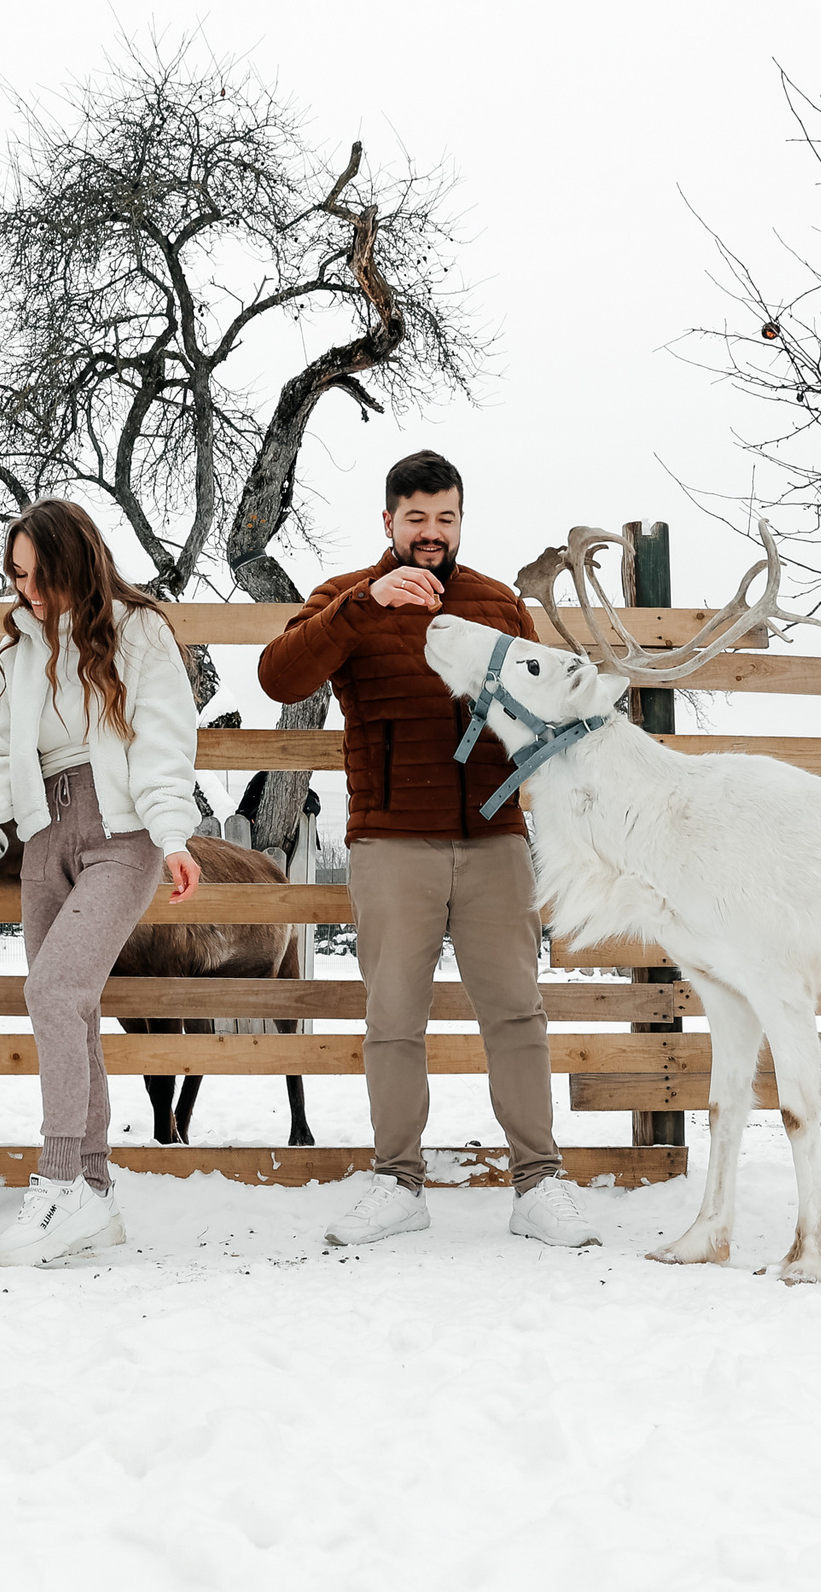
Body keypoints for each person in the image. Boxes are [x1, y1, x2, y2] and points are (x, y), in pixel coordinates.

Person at [257, 450, 601, 1249]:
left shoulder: (496, 602)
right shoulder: (343, 601)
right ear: (388, 521)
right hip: (391, 841)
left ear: (459, 520)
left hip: (495, 838)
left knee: (518, 1012)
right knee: (394, 1019)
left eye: (445, 517)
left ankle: (540, 1182)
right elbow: (279, 677)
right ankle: (396, 1182)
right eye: (416, 518)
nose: (432, 533)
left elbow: (546, 705)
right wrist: (361, 605)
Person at [0, 498, 203, 1267]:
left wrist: (172, 835)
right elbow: (1, 754)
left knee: (53, 993)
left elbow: (166, 735)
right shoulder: (20, 650)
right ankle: (94, 1195)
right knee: (77, 1012)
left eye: (39, 575)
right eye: (17, 577)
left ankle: (60, 1179)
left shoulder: (139, 631)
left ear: (75, 562)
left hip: (120, 835)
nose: (27, 592)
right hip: (42, 839)